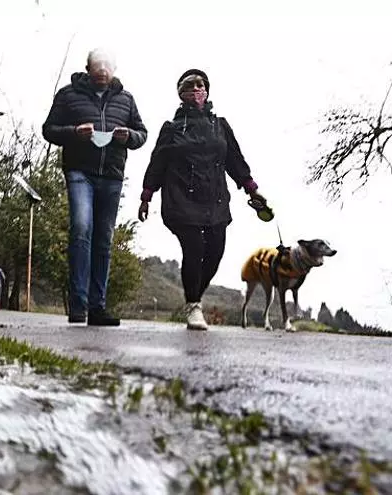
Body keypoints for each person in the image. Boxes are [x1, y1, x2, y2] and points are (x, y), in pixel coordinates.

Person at [137, 68, 266, 331]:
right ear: (181, 94)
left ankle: (192, 297)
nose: (196, 89)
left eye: (200, 85)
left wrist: (252, 189)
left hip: (215, 198)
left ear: (207, 91)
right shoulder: (172, 128)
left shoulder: (220, 126)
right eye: (190, 86)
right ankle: (194, 306)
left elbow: (235, 160)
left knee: (215, 252)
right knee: (194, 248)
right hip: (181, 198)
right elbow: (157, 162)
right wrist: (147, 195)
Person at [42, 47, 148, 326]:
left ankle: (97, 307)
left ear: (114, 70)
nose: (102, 69)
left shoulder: (126, 99)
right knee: (81, 228)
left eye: (107, 65)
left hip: (112, 176)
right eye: (97, 65)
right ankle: (78, 305)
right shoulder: (68, 95)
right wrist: (74, 133)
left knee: (104, 239)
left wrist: (129, 136)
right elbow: (49, 130)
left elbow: (142, 134)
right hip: (80, 172)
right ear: (88, 68)